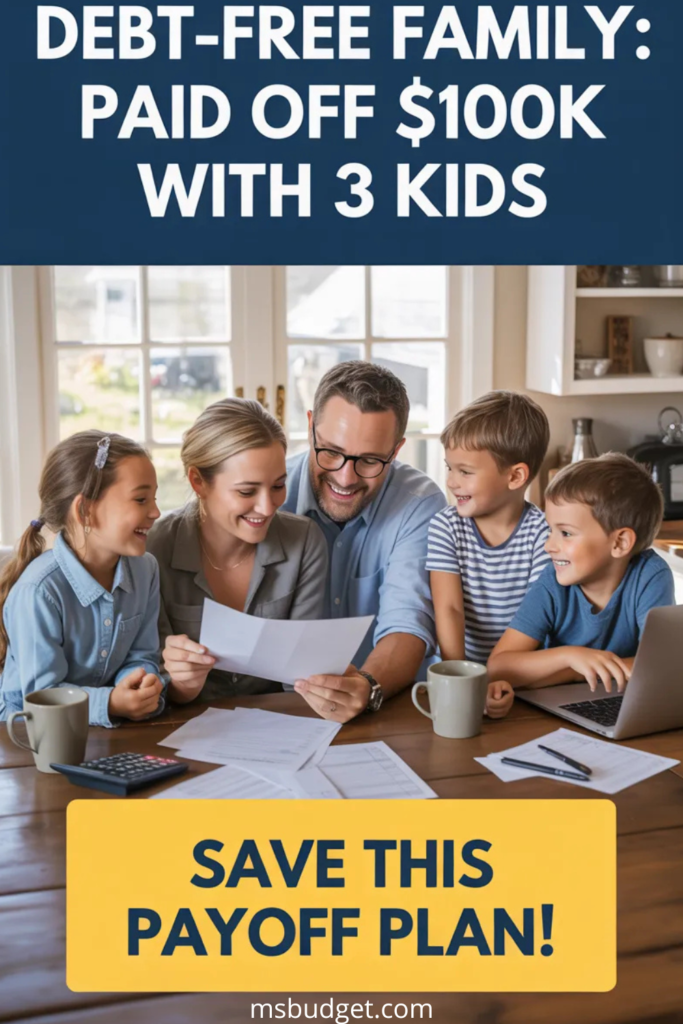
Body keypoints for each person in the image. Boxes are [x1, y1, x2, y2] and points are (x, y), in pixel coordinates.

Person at [282, 360, 445, 723]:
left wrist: (369, 686)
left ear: (397, 449)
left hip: (388, 709)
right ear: (310, 425)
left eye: (370, 460)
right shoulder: (269, 494)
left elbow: (409, 622)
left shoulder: (419, 504)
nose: (345, 476)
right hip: (282, 712)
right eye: (331, 451)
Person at [147, 398, 328, 703]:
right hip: (180, 727)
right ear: (198, 481)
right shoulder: (154, 550)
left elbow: (298, 680)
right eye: (247, 491)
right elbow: (150, 680)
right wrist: (180, 684)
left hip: (279, 725)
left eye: (278, 485)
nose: (267, 506)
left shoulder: (305, 542)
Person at [0, 431, 164, 727]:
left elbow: (143, 654)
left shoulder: (146, 570)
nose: (156, 511)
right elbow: (43, 698)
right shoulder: (38, 591)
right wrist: (111, 702)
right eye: (141, 499)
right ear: (85, 511)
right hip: (26, 737)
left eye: (154, 498)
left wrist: (138, 684)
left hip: (106, 732)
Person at [487, 453, 675, 691]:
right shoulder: (551, 583)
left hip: (619, 703)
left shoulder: (651, 576)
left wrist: (575, 673)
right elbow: (498, 668)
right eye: (550, 531)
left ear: (620, 543)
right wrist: (570, 657)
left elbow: (661, 667)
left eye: (565, 533)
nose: (549, 546)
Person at [427, 391, 551, 719]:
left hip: (520, 679)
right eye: (449, 468)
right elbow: (449, 609)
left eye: (465, 472)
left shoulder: (542, 533)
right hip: (460, 674)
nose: (452, 482)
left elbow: (536, 621)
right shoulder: (446, 526)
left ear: (515, 476)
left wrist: (498, 680)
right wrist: (460, 679)